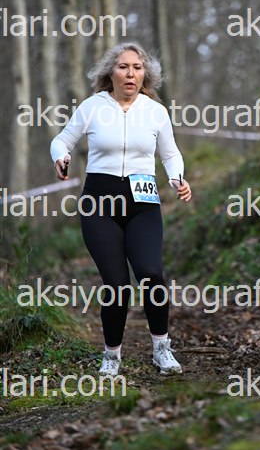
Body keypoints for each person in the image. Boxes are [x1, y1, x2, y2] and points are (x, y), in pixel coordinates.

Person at [50, 43, 191, 377]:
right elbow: (62, 140)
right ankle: (111, 355)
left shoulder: (155, 111)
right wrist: (61, 156)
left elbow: (171, 154)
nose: (131, 74)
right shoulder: (92, 107)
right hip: (99, 204)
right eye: (124, 67)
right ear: (110, 72)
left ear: (145, 74)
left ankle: (162, 349)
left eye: (137, 68)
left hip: (143, 204)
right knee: (116, 284)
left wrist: (176, 177)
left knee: (151, 273)